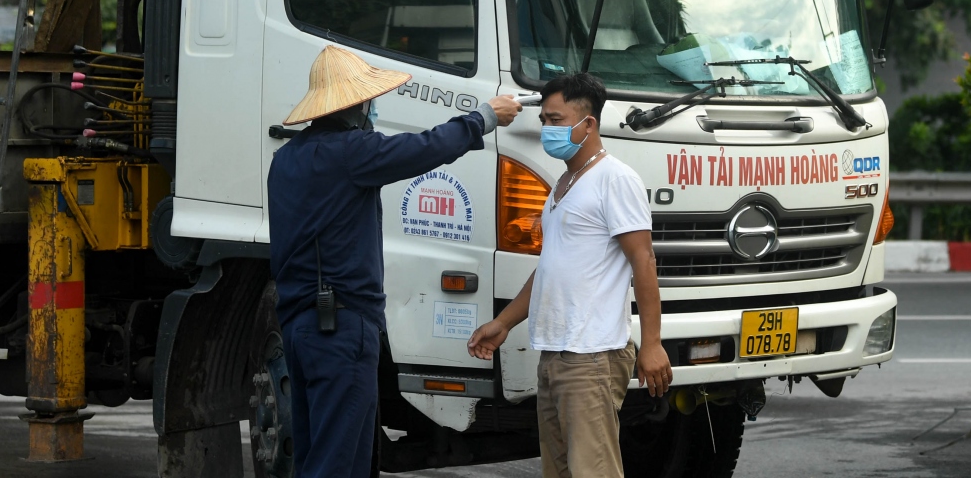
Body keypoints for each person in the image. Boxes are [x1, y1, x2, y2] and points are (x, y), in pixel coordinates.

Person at [267, 44, 521, 478]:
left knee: (316, 456)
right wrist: (484, 117)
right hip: (340, 329)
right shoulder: (351, 152)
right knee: (338, 464)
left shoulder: (285, 158)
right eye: (370, 101)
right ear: (357, 104)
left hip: (299, 329)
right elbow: (426, 148)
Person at [467, 72, 671, 478]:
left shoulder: (615, 179)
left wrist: (652, 344)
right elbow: (550, 268)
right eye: (544, 120)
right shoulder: (564, 184)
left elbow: (643, 261)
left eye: (556, 120)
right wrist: (503, 323)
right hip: (555, 356)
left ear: (588, 123)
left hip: (592, 357)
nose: (547, 129)